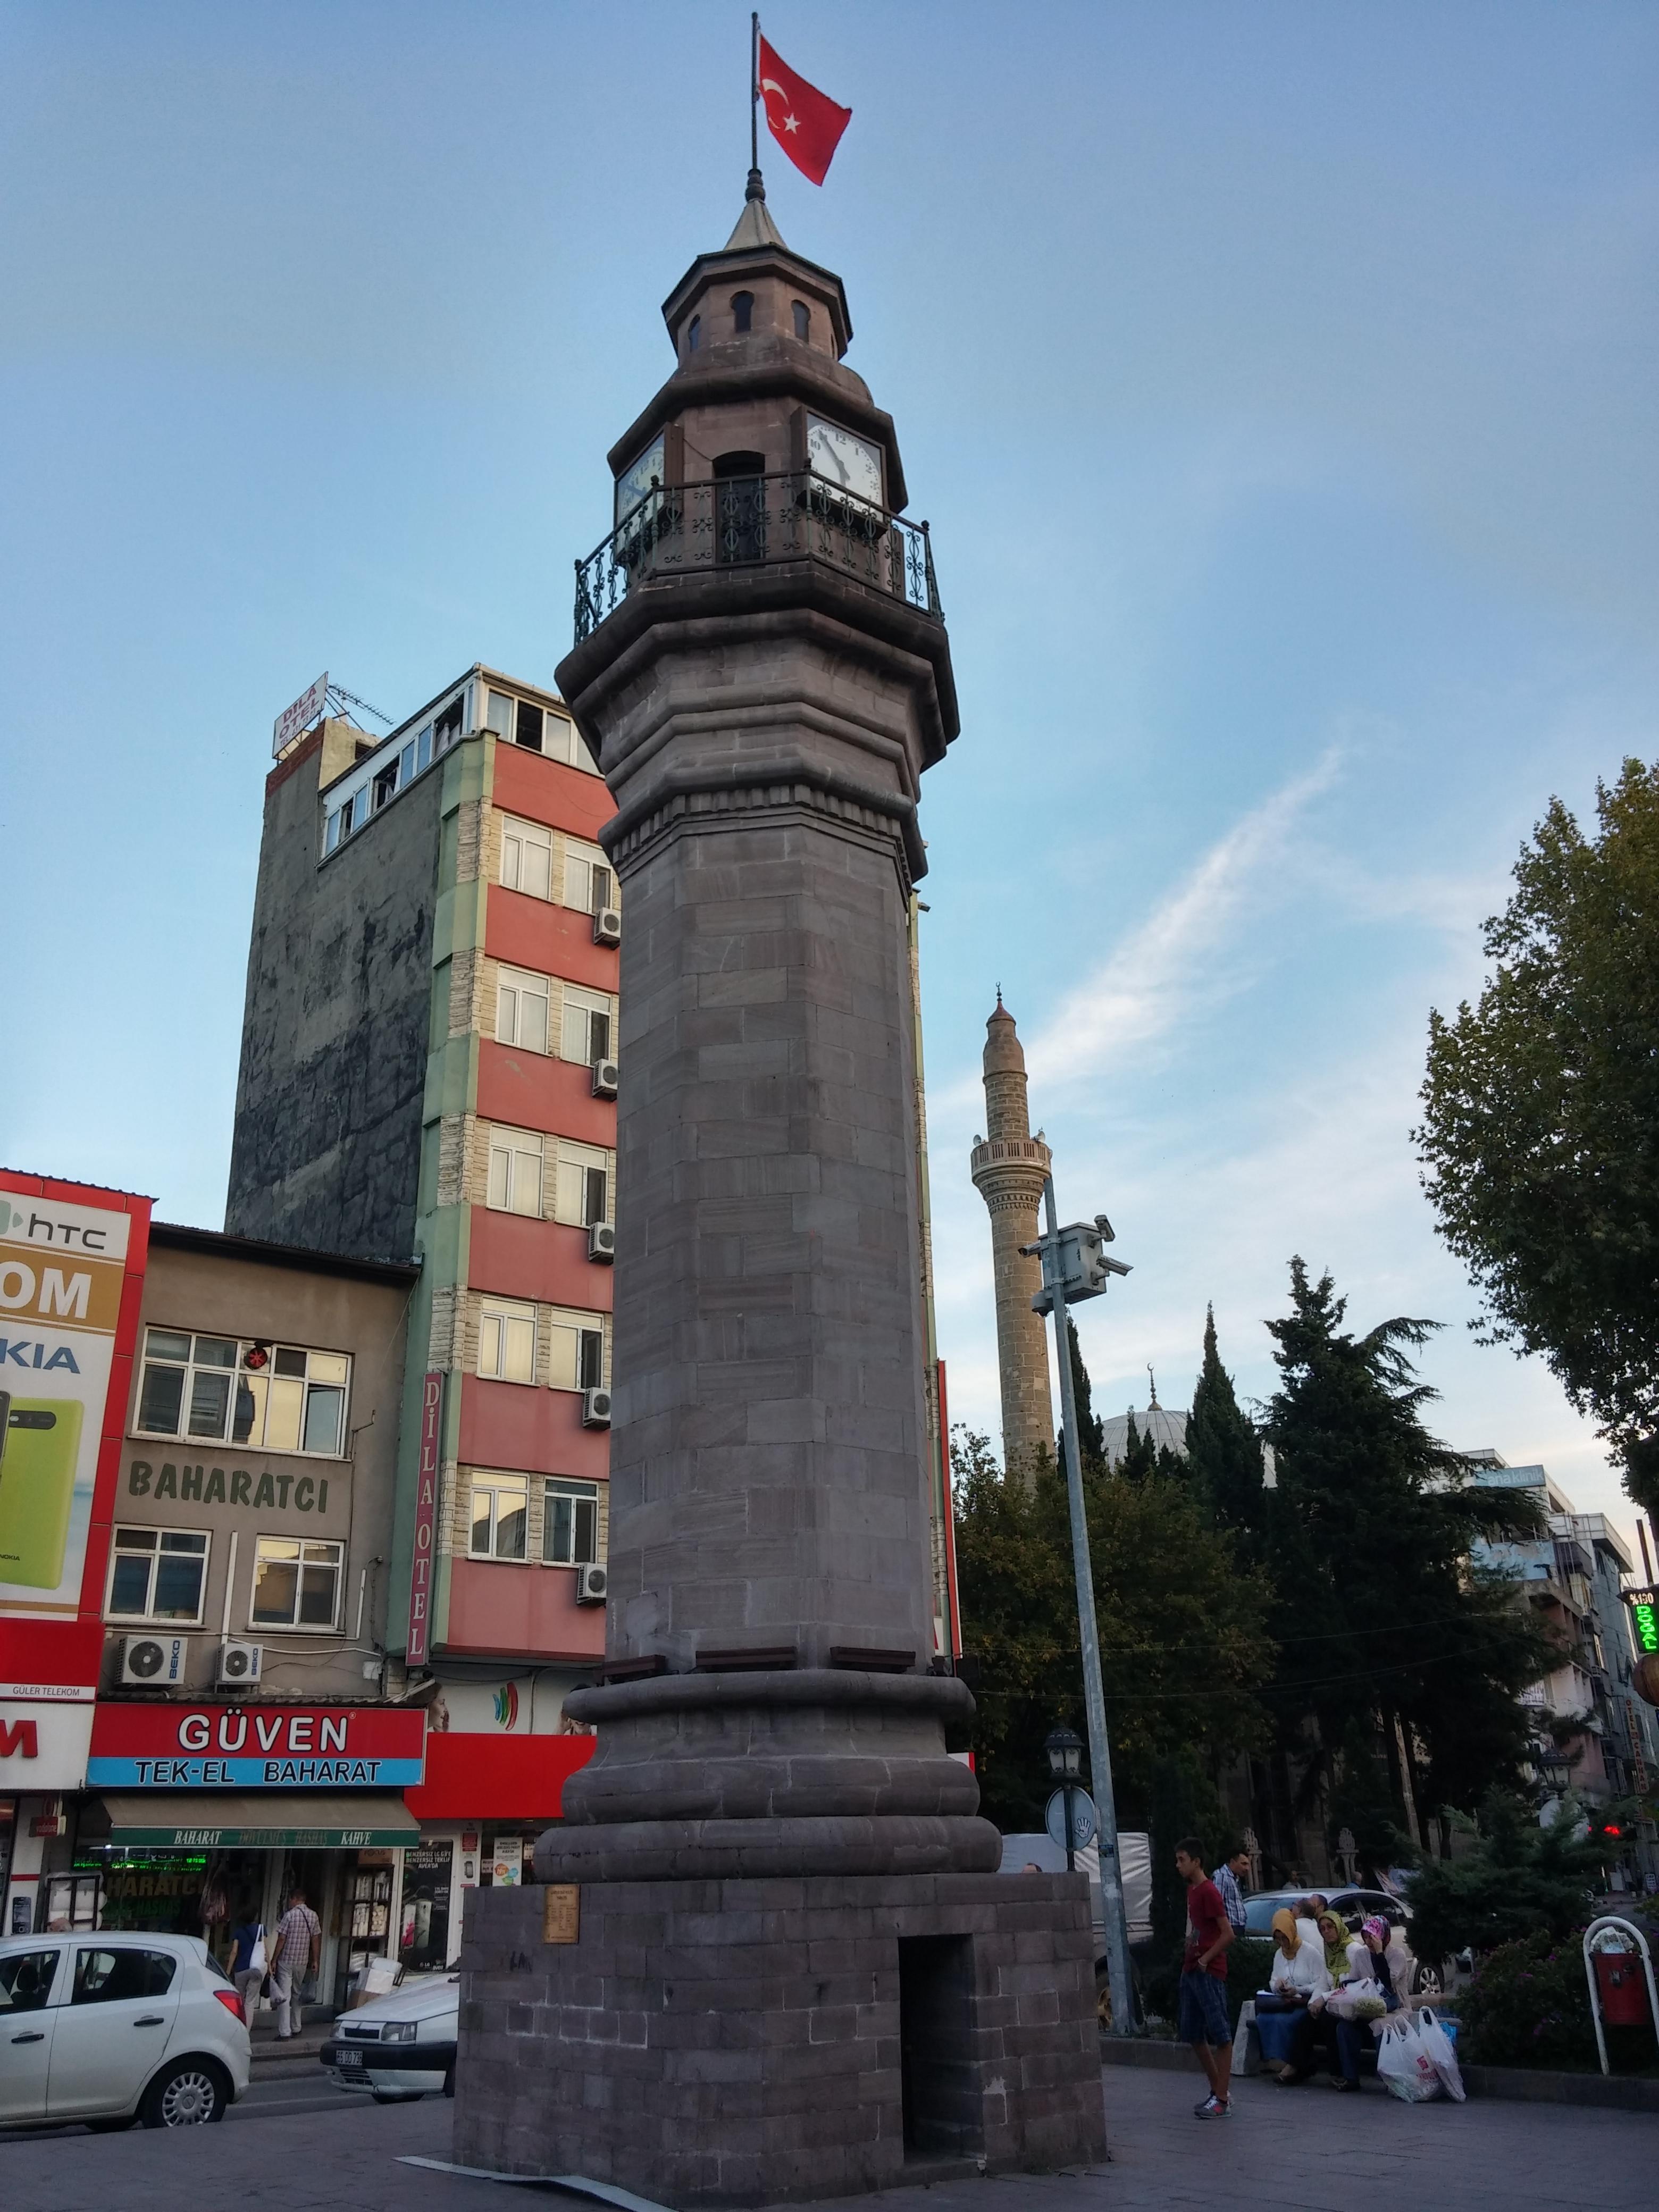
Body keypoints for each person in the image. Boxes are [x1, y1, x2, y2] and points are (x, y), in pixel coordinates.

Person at [1174, 1837, 1234, 2118]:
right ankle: (1217, 2091)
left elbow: (1228, 1933)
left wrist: (1206, 1959)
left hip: (1208, 1971)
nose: (1178, 1865)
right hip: (1191, 1969)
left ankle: (1221, 2098)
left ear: (1196, 1861)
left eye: (1182, 1860)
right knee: (1193, 2033)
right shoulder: (1192, 1892)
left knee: (1221, 2034)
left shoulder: (1209, 1892)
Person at [1329, 1915, 1402, 2090]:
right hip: (1365, 2007)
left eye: (1373, 1937)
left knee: (1380, 2024)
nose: (1369, 1942)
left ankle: (1387, 2079)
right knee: (1344, 2028)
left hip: (1392, 2006)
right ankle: (1351, 2078)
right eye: (1366, 1937)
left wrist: (1379, 1953)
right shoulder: (1361, 1954)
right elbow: (1354, 1981)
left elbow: (1388, 1984)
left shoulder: (1396, 1954)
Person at [1264, 1907, 1332, 2083]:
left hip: (1305, 2002)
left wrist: (1298, 1990)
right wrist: (1278, 1986)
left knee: (1288, 2022)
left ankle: (1292, 2065)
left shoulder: (1310, 1953)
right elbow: (1273, 1981)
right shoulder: (1279, 1955)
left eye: (1284, 1937)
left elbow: (1321, 1983)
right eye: (1278, 1939)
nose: (1282, 1943)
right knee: (1266, 2019)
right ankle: (1280, 2060)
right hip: (1287, 2001)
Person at [270, 1886, 321, 2040]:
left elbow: (282, 1939)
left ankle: (285, 2031)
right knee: (297, 1994)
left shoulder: (289, 1916)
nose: (289, 1902)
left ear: (294, 1899)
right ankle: (297, 2026)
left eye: (290, 1899)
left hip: (286, 1960)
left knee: (284, 1996)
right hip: (302, 1961)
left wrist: (274, 1959)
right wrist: (316, 1960)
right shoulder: (313, 1916)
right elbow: (316, 1939)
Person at [229, 1915, 265, 2027]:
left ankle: (236, 2027)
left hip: (241, 1969)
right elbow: (265, 1948)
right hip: (257, 1968)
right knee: (250, 2002)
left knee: (238, 2000)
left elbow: (234, 1952)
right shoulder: (261, 1929)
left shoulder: (238, 1932)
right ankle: (246, 2031)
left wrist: (228, 1971)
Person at [1211, 1844, 1251, 1933]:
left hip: (1238, 1927)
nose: (1247, 1868)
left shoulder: (1234, 1878)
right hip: (1229, 1928)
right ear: (1232, 1862)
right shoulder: (1221, 1876)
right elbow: (1216, 1904)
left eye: (1248, 1865)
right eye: (1244, 1864)